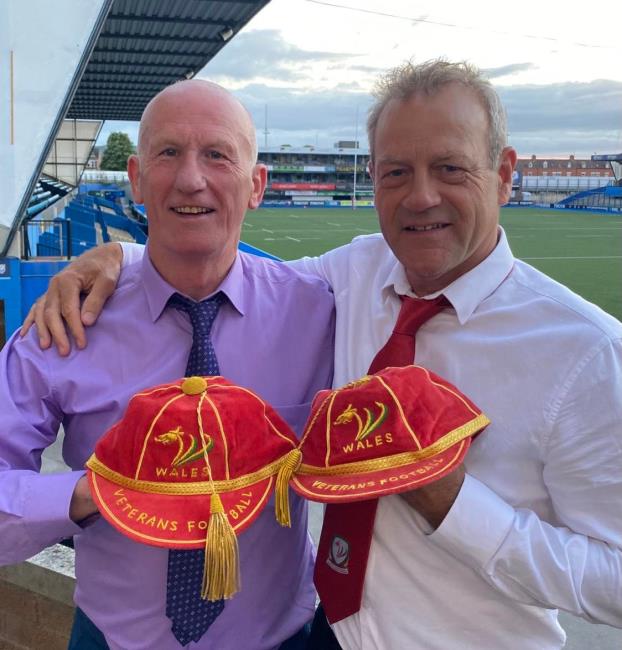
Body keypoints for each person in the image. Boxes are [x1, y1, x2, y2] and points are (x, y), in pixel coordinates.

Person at [23, 60, 622, 649]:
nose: (419, 197)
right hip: (315, 635)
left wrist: (457, 506)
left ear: (503, 173)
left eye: (450, 168)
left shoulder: (587, 352)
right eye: (394, 173)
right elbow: (204, 264)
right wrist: (120, 259)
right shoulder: (350, 278)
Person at [1, 79, 335, 650]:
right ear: (134, 178)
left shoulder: (320, 310)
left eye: (217, 155)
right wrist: (99, 492)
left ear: (257, 185)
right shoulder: (65, 322)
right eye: (168, 153)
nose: (191, 179)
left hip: (284, 639)